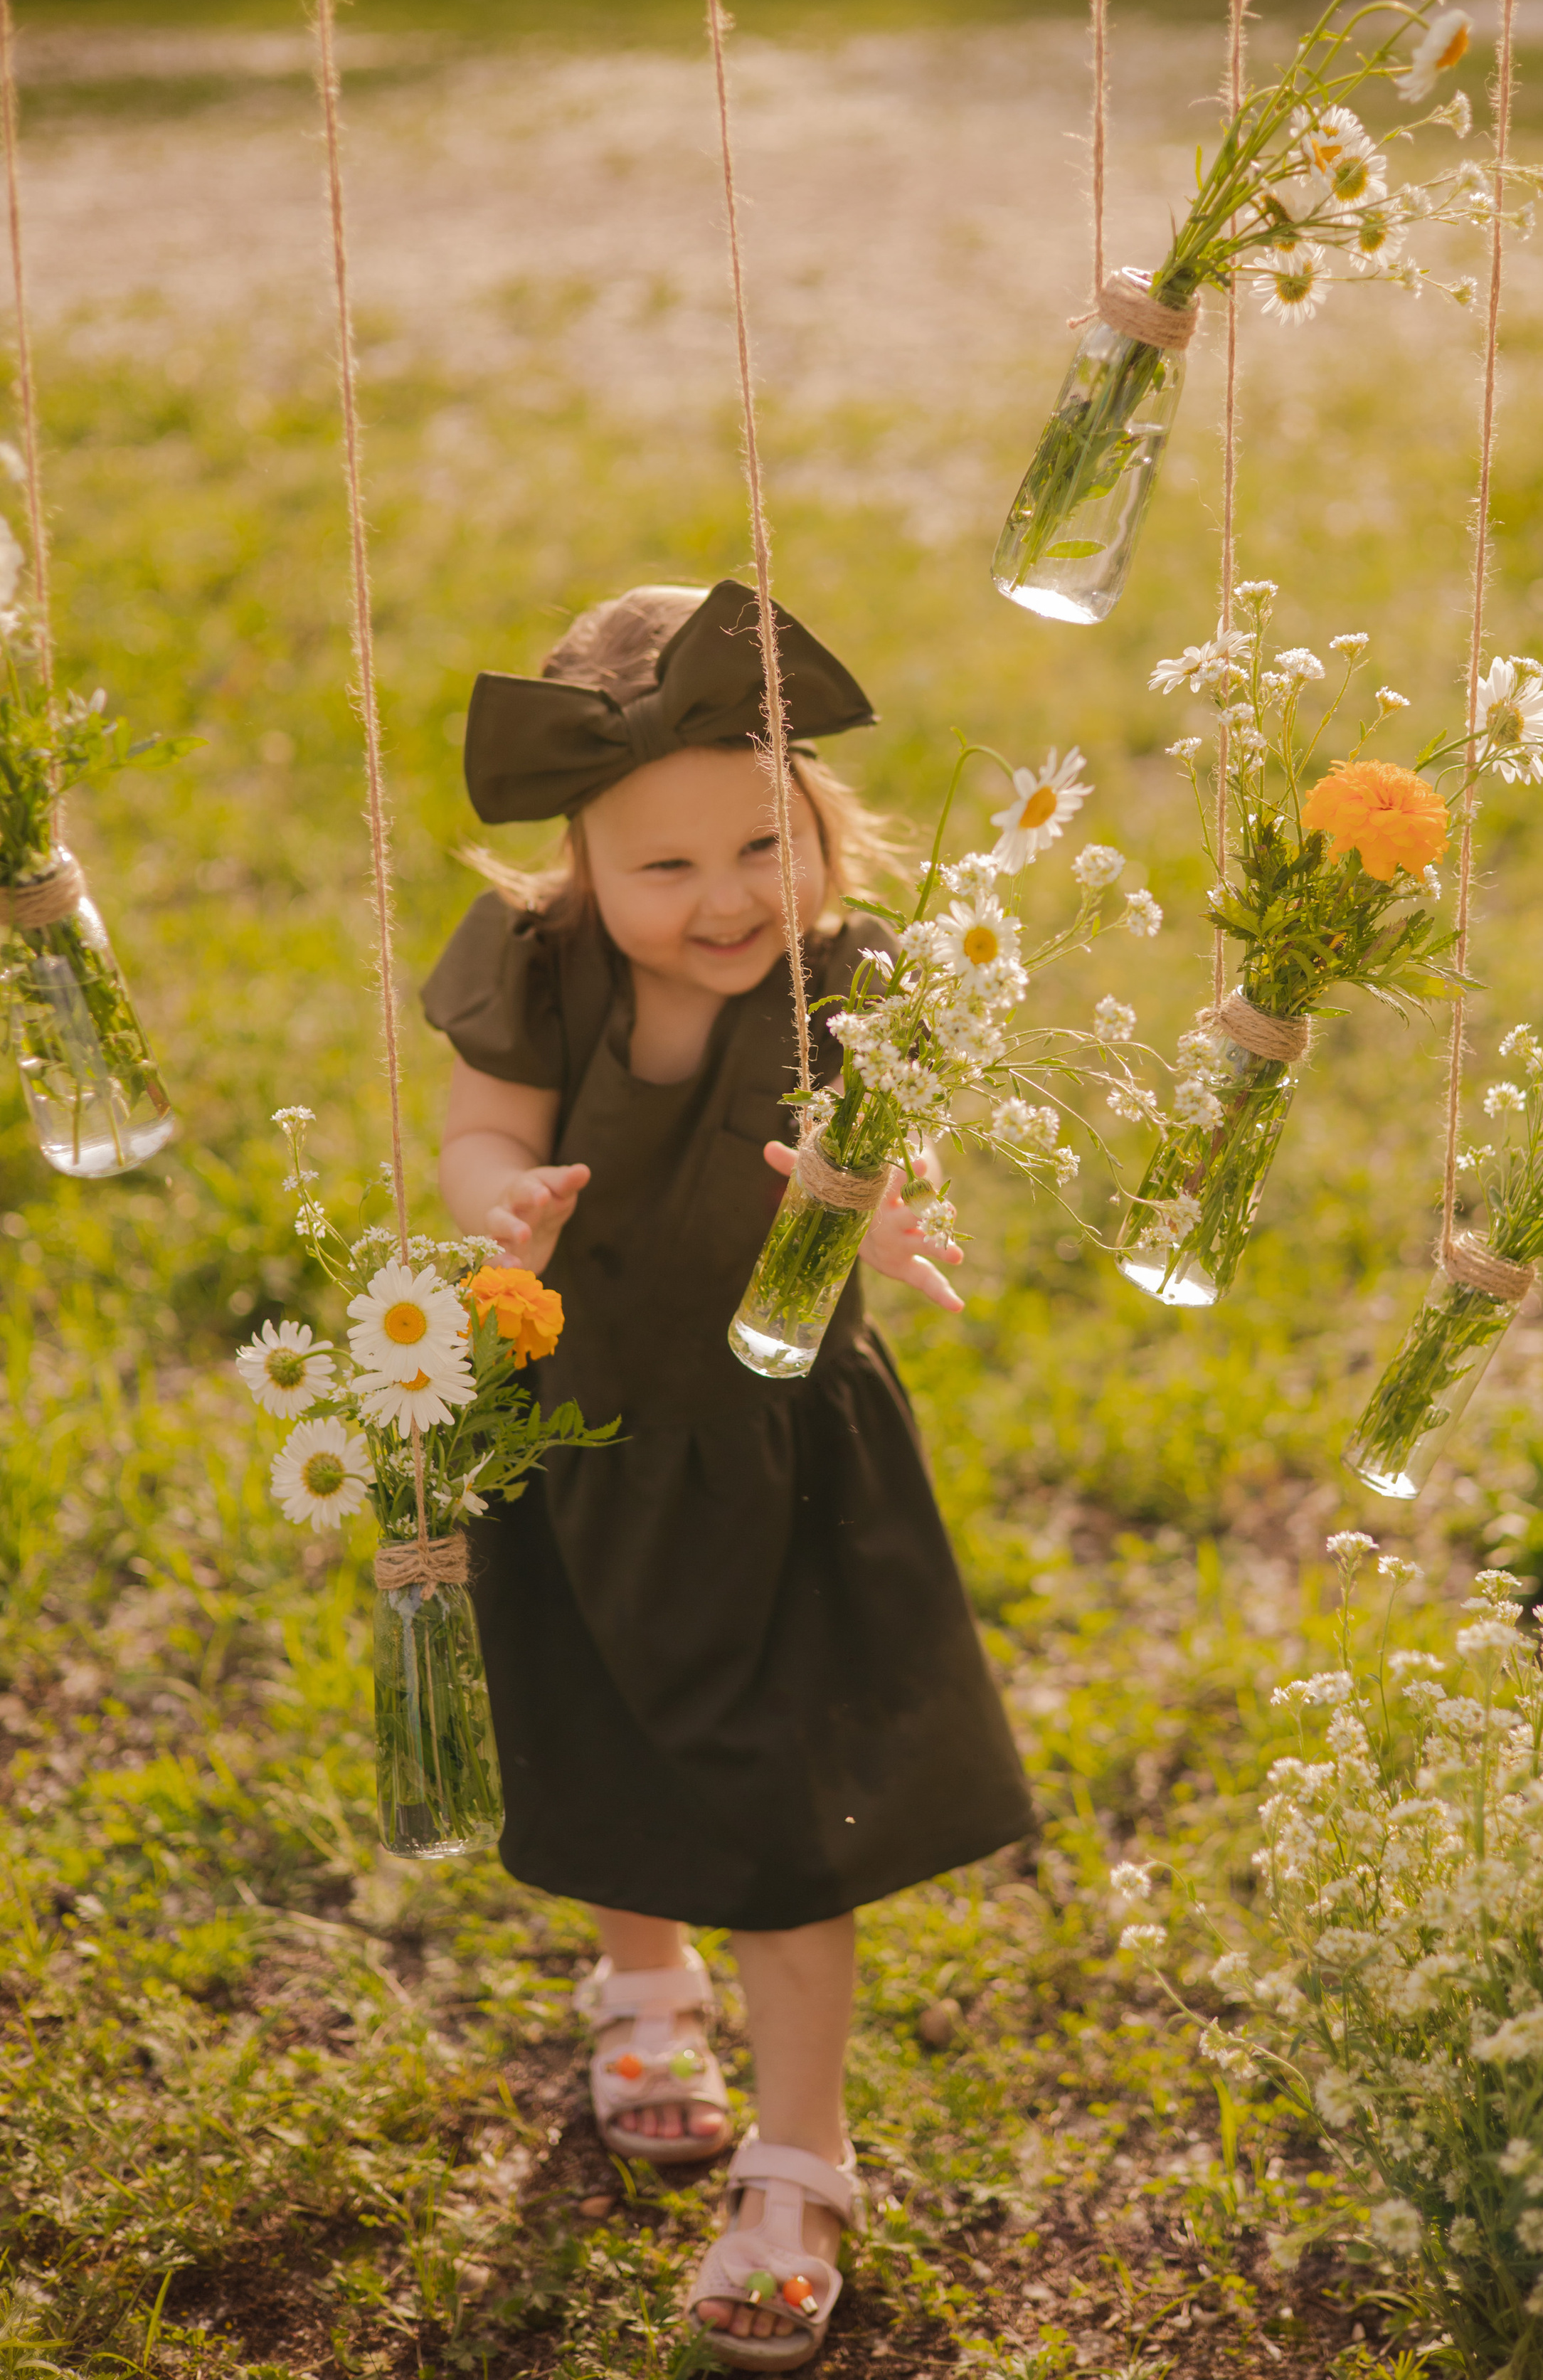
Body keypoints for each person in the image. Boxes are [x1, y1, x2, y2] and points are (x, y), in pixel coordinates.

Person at [423, 579, 1034, 2372]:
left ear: (819, 824)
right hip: (577, 1428)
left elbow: (875, 1151)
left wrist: (891, 1211)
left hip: (776, 1449)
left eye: (761, 846)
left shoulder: (854, 980)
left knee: (783, 1813)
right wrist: (500, 1207)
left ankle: (799, 2160)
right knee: (605, 1723)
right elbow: (479, 1129)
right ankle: (639, 1985)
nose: (725, 900)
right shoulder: (534, 969)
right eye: (664, 870)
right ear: (579, 870)